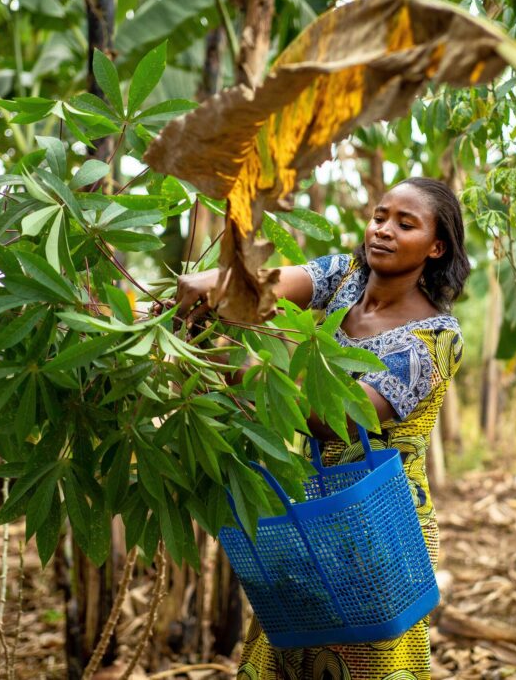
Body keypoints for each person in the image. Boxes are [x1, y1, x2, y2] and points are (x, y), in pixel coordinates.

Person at [175, 176, 468, 679]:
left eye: (405, 224)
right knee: (286, 650)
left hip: (381, 520)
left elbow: (339, 419)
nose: (384, 230)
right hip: (308, 503)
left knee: (369, 663)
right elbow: (264, 284)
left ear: (436, 247)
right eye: (379, 217)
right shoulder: (346, 276)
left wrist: (231, 367)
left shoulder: (433, 338)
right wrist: (211, 290)